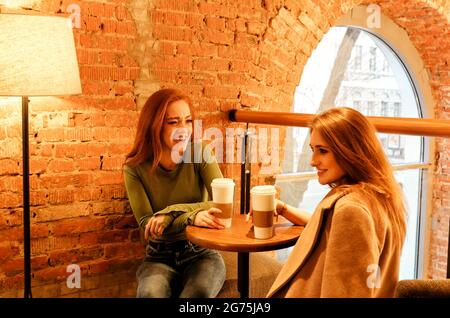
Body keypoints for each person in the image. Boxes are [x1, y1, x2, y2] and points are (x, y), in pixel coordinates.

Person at [267, 107, 407, 298]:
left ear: (351, 151)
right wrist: (283, 208)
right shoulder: (377, 195)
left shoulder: (351, 210)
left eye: (322, 151)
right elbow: (331, 228)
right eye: (312, 150)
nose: (313, 161)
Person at [123, 88, 226, 298]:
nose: (184, 130)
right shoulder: (134, 168)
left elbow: (222, 202)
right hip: (159, 256)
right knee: (150, 294)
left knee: (197, 295)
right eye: (173, 122)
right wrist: (192, 217)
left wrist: (170, 214)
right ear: (154, 125)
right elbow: (148, 225)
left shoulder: (200, 153)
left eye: (188, 121)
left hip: (201, 252)